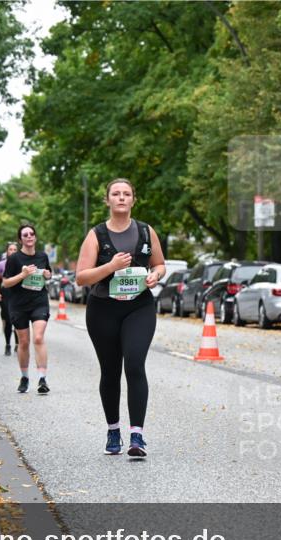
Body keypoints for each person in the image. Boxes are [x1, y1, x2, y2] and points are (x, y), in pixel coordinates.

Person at [75, 178, 166, 457]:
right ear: (108, 200)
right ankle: (113, 430)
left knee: (135, 364)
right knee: (111, 371)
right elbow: (81, 277)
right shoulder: (96, 235)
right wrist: (111, 266)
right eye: (116, 194)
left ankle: (136, 435)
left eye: (127, 194)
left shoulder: (146, 231)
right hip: (104, 309)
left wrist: (155, 276)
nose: (122, 198)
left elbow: (160, 264)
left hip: (139, 307)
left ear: (133, 200)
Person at [1, 225, 53, 394]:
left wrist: (47, 275)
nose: (29, 236)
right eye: (25, 235)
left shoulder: (42, 256)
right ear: (20, 239)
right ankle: (24, 377)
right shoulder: (15, 259)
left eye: (32, 234)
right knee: (23, 342)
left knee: (38, 338)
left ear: (35, 238)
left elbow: (48, 274)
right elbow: (6, 283)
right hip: (19, 305)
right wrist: (22, 275)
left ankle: (42, 379)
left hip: (39, 302)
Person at [0, 243, 20, 355]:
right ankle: (8, 344)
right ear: (7, 251)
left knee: (18, 320)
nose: (12, 251)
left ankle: (18, 344)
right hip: (5, 294)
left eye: (15, 249)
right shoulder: (1, 264)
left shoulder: (21, 264)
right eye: (10, 249)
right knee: (8, 320)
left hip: (18, 294)